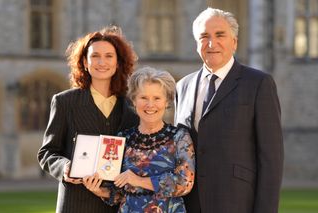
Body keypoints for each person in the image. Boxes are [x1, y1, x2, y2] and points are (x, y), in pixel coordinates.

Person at [174, 7, 284, 213]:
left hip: (237, 202)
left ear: (234, 42)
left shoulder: (259, 83)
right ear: (197, 44)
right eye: (204, 36)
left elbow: (271, 159)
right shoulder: (183, 87)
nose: (211, 43)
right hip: (189, 205)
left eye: (220, 35)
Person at [37, 26, 139, 213]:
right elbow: (47, 153)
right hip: (75, 204)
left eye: (109, 56)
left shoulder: (131, 108)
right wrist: (65, 167)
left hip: (118, 205)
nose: (102, 62)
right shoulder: (64, 102)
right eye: (95, 56)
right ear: (84, 62)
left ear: (118, 62)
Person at [83, 67, 195, 212]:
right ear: (134, 101)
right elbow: (118, 193)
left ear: (166, 102)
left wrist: (138, 180)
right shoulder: (122, 139)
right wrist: (98, 190)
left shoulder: (180, 136)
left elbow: (184, 183)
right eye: (143, 98)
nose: (150, 104)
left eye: (157, 98)